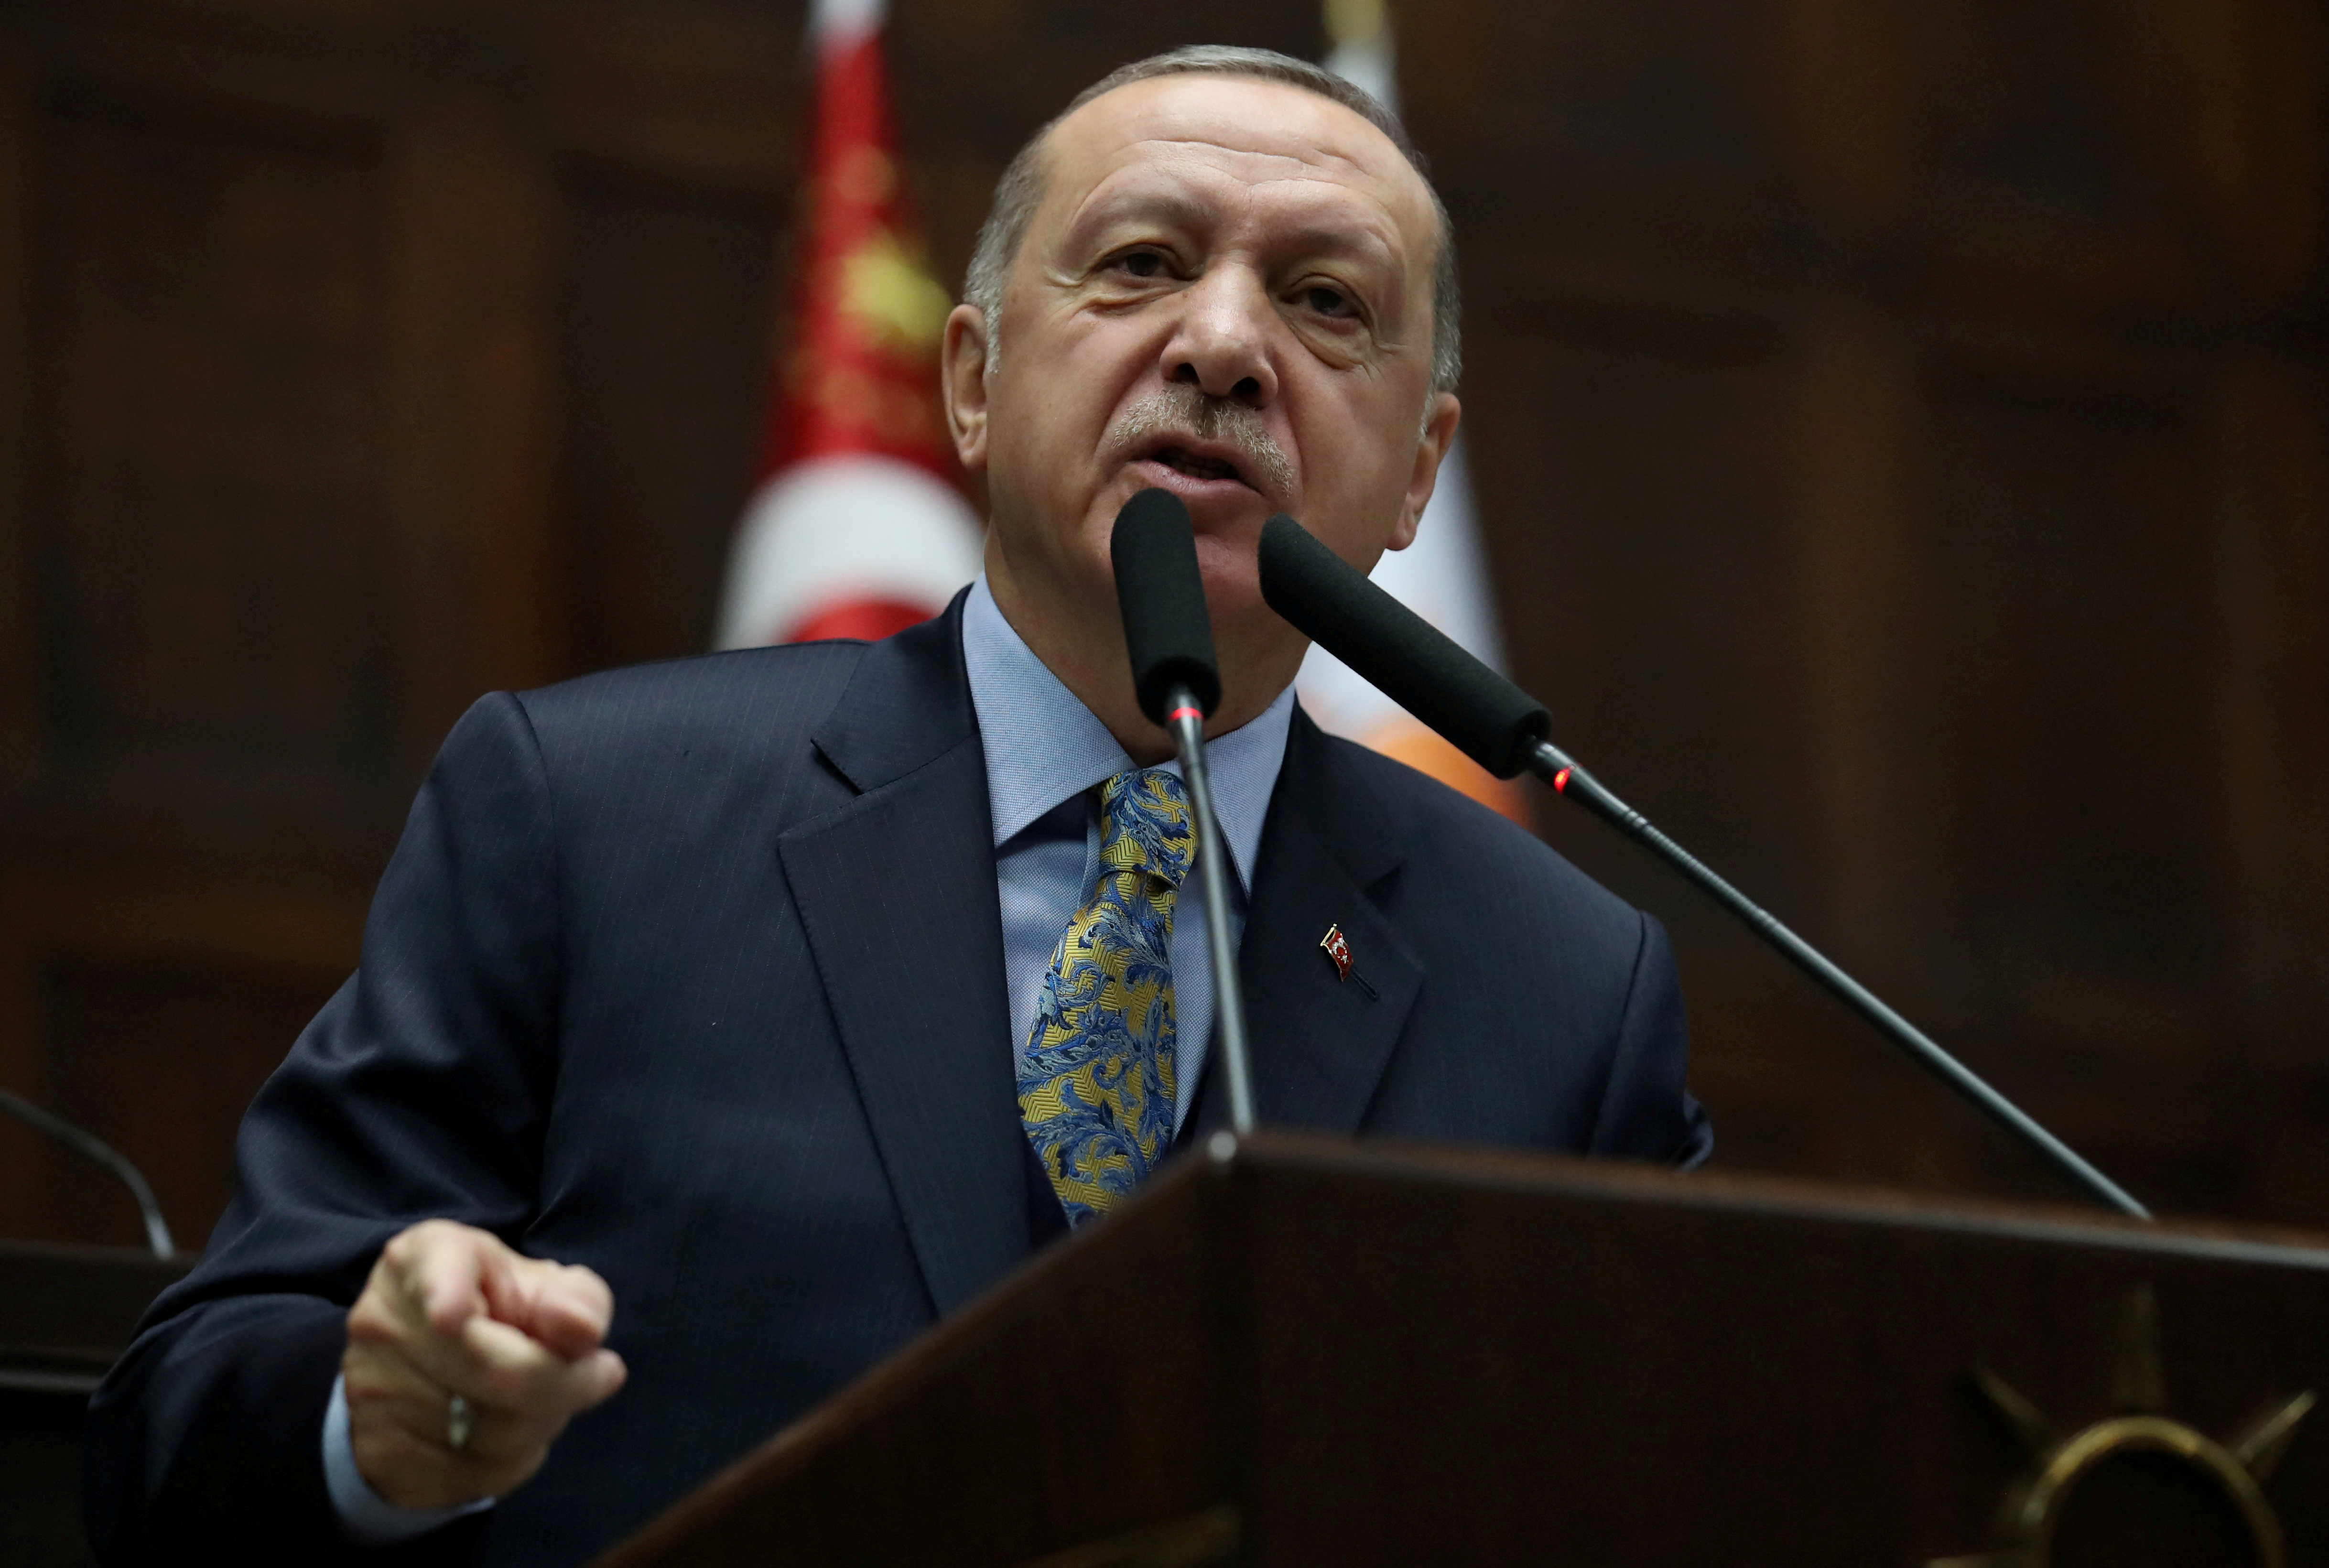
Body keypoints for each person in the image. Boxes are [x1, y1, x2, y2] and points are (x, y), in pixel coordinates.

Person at [84, 45, 1708, 1567]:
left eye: (1323, 299)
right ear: (972, 382)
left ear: (1418, 469)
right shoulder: (588, 814)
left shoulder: (1566, 984)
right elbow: (175, 1420)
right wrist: (384, 1427)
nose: (1221, 344)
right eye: (1140, 264)